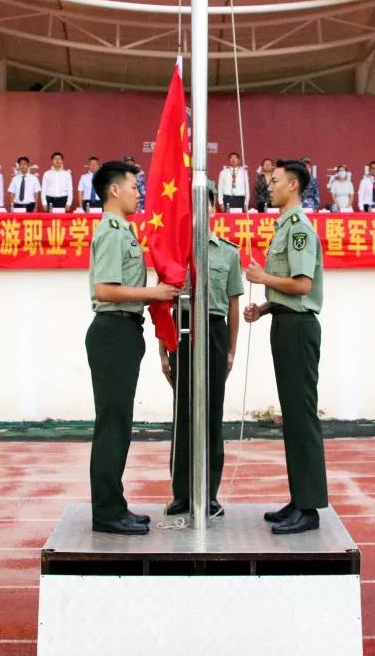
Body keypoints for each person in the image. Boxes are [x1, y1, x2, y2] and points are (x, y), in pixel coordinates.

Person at [86, 160, 181, 535]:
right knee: (113, 423)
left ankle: (114, 505)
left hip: (123, 331)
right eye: (133, 186)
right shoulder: (112, 233)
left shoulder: (123, 230)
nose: (138, 193)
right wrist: (154, 293)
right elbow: (105, 290)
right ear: (113, 190)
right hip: (113, 331)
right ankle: (106, 511)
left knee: (119, 423)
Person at [244, 159, 328, 534]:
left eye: (275, 180)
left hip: (297, 328)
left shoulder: (298, 229)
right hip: (284, 321)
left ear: (293, 185)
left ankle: (309, 508)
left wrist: (263, 278)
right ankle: (299, 499)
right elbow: (287, 291)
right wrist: (263, 308)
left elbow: (302, 285)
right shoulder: (282, 227)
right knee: (292, 418)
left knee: (301, 417)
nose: (269, 186)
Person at [160, 186, 243, 517]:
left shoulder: (228, 253)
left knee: (211, 414)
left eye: (204, 205)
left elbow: (233, 305)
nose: (199, 212)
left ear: (213, 210)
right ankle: (181, 493)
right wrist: (163, 350)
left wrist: (231, 350)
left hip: (214, 330)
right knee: (183, 412)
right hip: (182, 329)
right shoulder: (175, 251)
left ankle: (209, 494)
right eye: (192, 206)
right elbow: (165, 303)